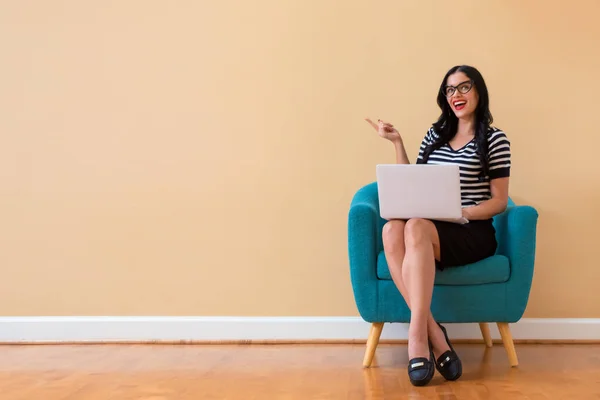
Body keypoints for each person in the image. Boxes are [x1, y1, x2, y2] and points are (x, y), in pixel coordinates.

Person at [364, 65, 511, 386]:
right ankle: (434, 332)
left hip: (472, 229)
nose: (456, 95)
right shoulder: (436, 134)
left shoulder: (495, 140)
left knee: (414, 226)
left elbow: (499, 201)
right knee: (391, 229)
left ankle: (416, 337)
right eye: (449, 90)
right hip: (431, 226)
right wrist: (398, 143)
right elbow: (413, 182)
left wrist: (461, 211)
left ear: (478, 91)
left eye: (463, 87)